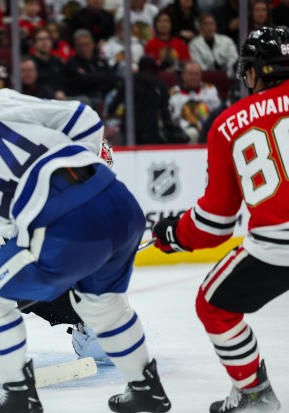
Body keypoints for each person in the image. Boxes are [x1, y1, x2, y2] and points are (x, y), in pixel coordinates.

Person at [0, 89, 171, 413]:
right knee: (102, 303)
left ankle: (20, 396)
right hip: (122, 206)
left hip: (64, 232)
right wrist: (82, 176)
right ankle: (147, 389)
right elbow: (87, 120)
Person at [152, 26, 289, 413]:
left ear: (256, 71)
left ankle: (254, 395)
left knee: (213, 305)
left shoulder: (230, 122)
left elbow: (214, 225)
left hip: (278, 246)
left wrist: (174, 234)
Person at [168, 60, 221, 143]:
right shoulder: (174, 94)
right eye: (190, 74)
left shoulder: (210, 90)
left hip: (208, 130)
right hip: (184, 133)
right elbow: (172, 119)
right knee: (192, 133)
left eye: (196, 74)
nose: (193, 77)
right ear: (183, 75)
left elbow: (218, 114)